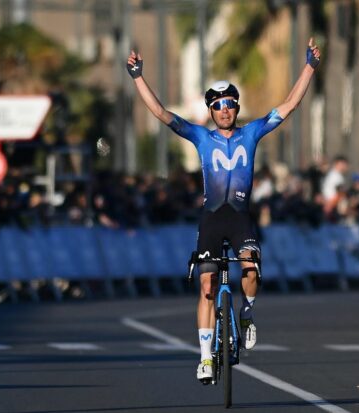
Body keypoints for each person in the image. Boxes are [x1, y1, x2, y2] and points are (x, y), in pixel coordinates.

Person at [126, 38, 320, 383]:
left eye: (230, 103)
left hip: (241, 217)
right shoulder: (201, 137)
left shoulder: (252, 132)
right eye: (218, 105)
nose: (225, 110)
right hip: (212, 218)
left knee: (250, 268)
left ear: (237, 107)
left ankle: (246, 312)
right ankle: (204, 358)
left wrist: (309, 66)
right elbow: (160, 113)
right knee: (206, 284)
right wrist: (138, 76)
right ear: (211, 111)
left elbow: (289, 105)